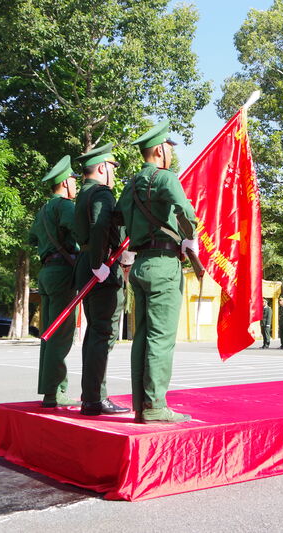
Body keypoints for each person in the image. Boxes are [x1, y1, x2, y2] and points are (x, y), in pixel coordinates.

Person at [116, 121, 197, 423]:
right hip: (164, 263)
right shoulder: (166, 177)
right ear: (161, 150)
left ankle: (141, 405)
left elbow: (118, 218)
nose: (172, 155)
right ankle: (155, 406)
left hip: (140, 264)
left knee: (143, 337)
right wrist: (191, 237)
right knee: (161, 338)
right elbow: (185, 212)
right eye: (170, 149)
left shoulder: (132, 183)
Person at [73, 143, 130, 417]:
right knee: (103, 333)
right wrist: (99, 264)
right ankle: (95, 398)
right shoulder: (101, 193)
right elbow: (99, 227)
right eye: (113, 168)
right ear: (102, 167)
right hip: (101, 266)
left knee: (94, 333)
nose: (114, 175)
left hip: (90, 263)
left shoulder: (83, 193)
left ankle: (91, 394)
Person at [28, 155, 80, 408]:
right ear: (65, 183)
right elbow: (80, 233)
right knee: (61, 335)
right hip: (62, 273)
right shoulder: (65, 206)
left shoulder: (43, 210)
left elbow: (32, 238)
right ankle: (54, 393)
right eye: (73, 180)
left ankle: (52, 389)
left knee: (48, 334)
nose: (76, 185)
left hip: (46, 272)